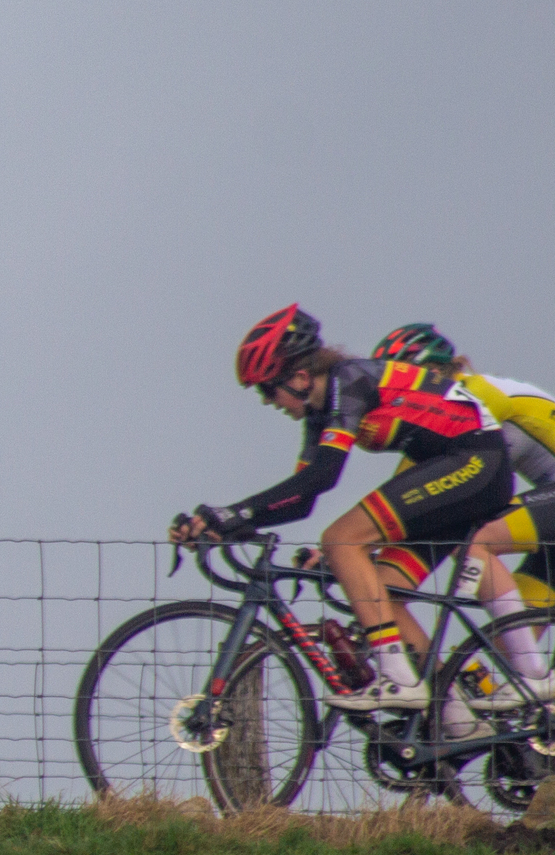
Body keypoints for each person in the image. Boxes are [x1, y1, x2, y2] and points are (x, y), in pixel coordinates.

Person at [175, 305, 517, 712]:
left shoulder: (348, 383)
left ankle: (398, 679)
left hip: (476, 461)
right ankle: (459, 717)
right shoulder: (322, 412)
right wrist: (230, 522)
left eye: (268, 389)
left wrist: (236, 513)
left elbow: (324, 476)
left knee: (340, 540)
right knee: (381, 591)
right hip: (465, 467)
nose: (268, 402)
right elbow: (301, 499)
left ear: (300, 377)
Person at [362, 322, 555, 711]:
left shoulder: (476, 392)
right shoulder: (438, 417)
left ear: (431, 373)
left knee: (476, 541)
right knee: (506, 642)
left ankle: (534, 679)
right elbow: (408, 489)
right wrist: (363, 540)